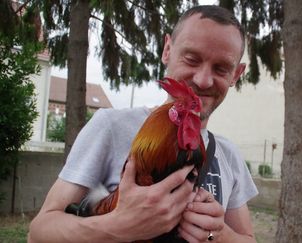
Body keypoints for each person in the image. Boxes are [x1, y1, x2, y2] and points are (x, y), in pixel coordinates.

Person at [29, 5, 258, 243]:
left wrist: (218, 235)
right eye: (191, 59)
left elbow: (248, 239)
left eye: (221, 68)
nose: (202, 80)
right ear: (167, 49)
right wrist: (118, 225)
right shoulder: (110, 126)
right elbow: (38, 232)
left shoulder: (229, 155)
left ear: (236, 75)